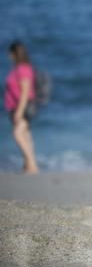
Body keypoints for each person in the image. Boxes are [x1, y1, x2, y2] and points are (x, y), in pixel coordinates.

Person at [5, 42, 39, 174]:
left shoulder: (23, 69)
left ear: (14, 54)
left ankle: (32, 163)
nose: (8, 56)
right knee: (26, 135)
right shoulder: (18, 68)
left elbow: (25, 92)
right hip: (18, 106)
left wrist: (19, 111)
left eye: (10, 53)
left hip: (24, 107)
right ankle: (28, 165)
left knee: (17, 134)